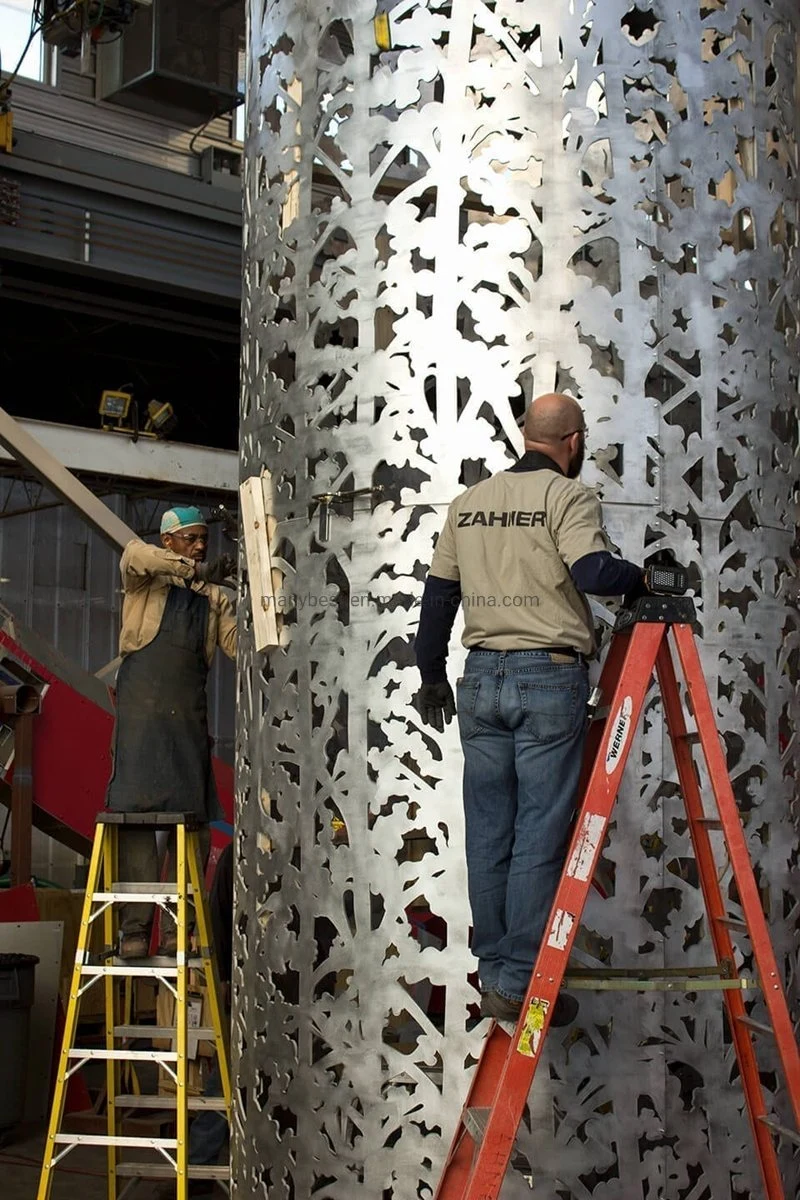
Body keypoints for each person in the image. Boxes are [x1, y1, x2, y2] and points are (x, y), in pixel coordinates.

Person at [414, 393, 647, 1024]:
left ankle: (495, 972)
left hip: (481, 681)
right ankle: (518, 980)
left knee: (489, 833)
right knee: (539, 835)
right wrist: (646, 580)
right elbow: (595, 571)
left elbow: (437, 602)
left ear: (527, 434)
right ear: (573, 442)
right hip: (547, 679)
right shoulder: (568, 497)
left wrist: (432, 676)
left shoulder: (470, 504)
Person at [106, 506, 236, 959]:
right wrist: (194, 570)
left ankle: (182, 928)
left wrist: (263, 601)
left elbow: (238, 645)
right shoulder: (144, 576)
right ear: (169, 540)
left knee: (193, 822)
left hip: (188, 719)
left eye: (204, 538)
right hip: (142, 715)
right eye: (190, 538)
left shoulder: (214, 598)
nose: (200, 544)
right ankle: (136, 928)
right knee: (139, 818)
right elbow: (134, 555)